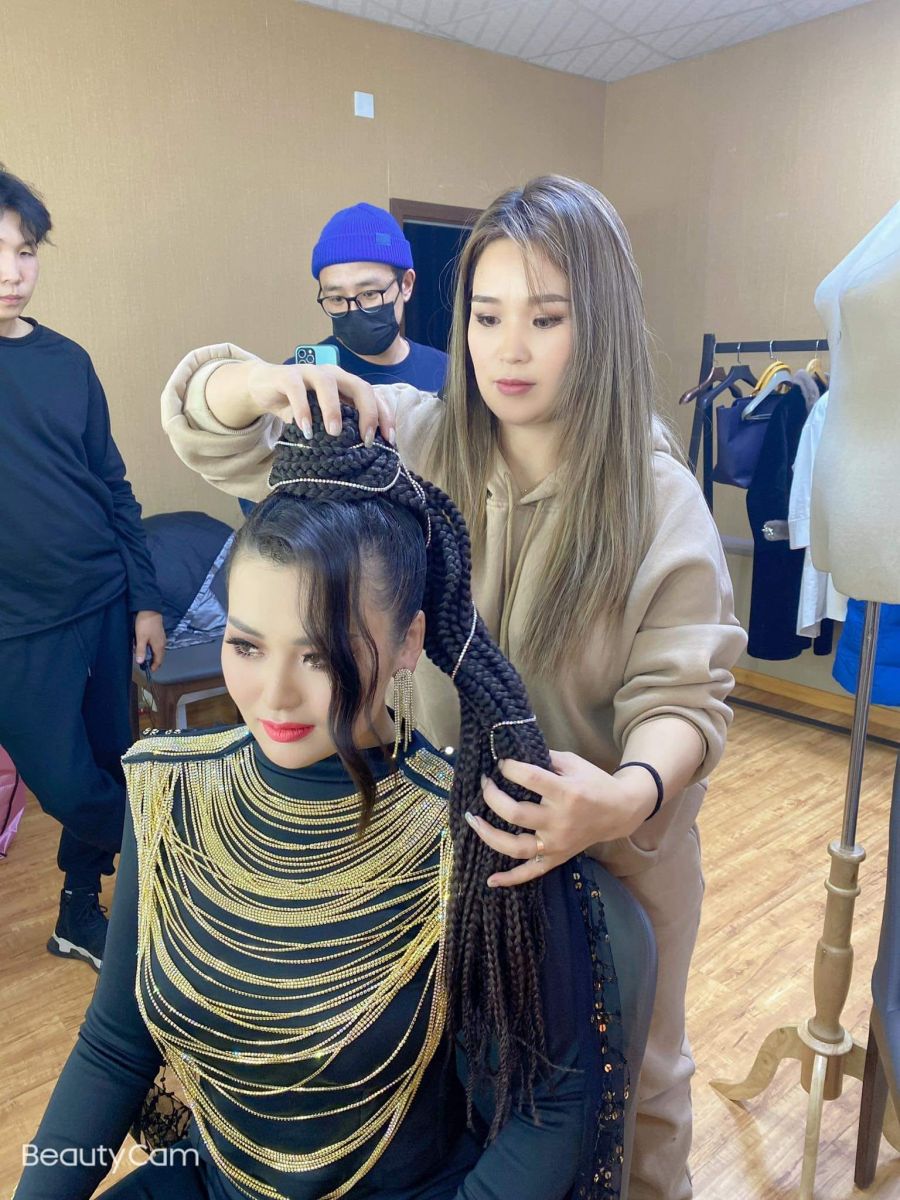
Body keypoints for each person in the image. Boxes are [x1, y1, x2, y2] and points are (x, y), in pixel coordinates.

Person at [160, 175, 747, 1200]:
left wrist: (625, 796)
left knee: (632, 1091)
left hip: (612, 856)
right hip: (445, 845)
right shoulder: (411, 437)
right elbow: (211, 429)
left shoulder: (657, 499)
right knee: (465, 1079)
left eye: (546, 319)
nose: (508, 349)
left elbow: (684, 694)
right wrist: (259, 385)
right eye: (485, 315)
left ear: (602, 325)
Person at [14, 407, 625, 1200]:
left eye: (321, 655)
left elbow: (552, 1108)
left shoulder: (476, 833)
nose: (273, 695)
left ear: (408, 642)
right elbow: (113, 1048)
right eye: (246, 645)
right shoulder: (166, 792)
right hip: (212, 1178)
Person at [0, 166, 165, 970]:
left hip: (102, 599)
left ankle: (80, 914)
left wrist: (145, 599)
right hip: (17, 628)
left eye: (25, 251)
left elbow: (113, 486)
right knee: (70, 786)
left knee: (108, 761)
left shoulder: (68, 361)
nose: (12, 272)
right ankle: (184, 856)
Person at [307, 202, 447, 393]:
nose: (353, 310)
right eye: (337, 298)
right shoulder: (305, 379)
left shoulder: (447, 372)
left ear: (406, 284)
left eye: (369, 294)